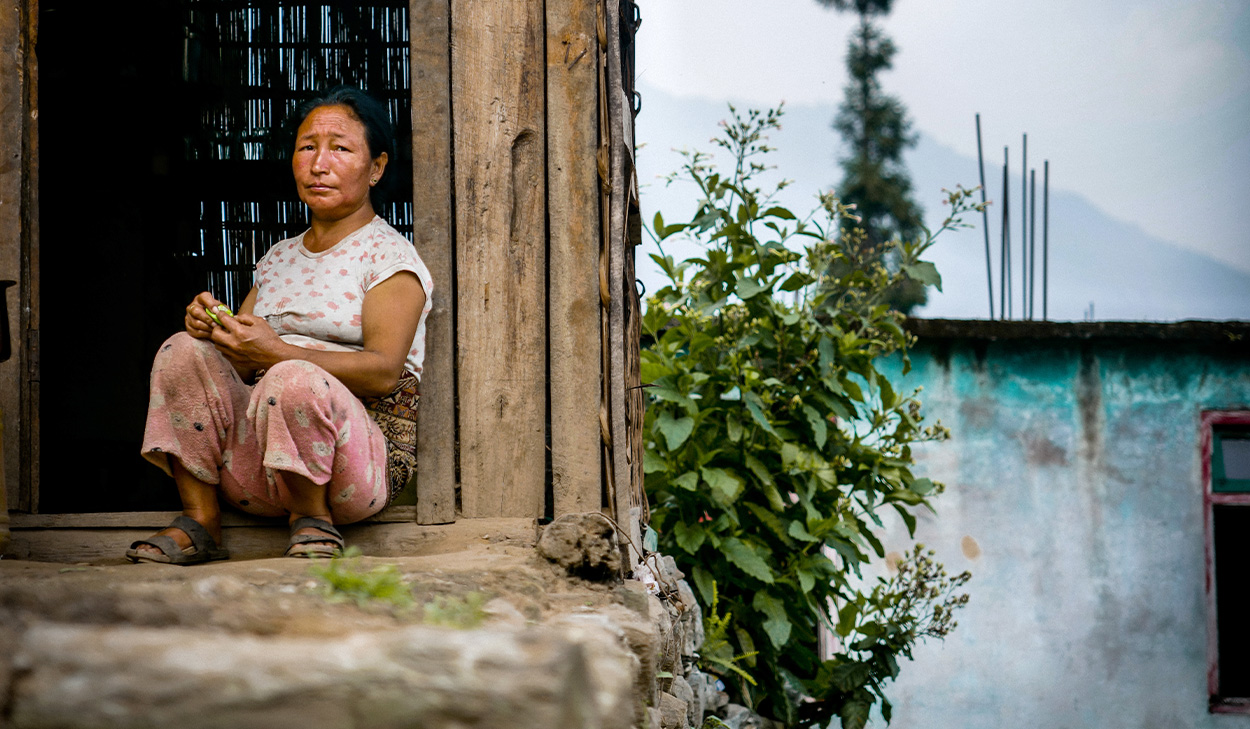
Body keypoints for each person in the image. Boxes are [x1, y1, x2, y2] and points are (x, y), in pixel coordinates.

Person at [127, 86, 432, 564]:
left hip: (352, 473)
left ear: (377, 168)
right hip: (259, 467)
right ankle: (201, 520)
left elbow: (384, 372)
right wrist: (214, 329)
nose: (319, 163)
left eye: (341, 148)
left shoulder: (389, 258)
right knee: (181, 348)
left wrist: (278, 355)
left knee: (292, 375)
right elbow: (244, 355)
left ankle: (311, 521)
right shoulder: (278, 258)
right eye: (307, 147)